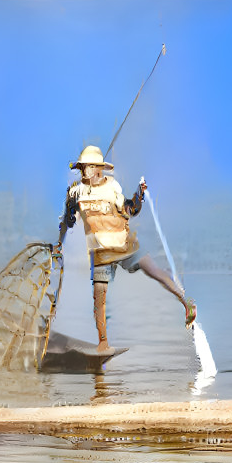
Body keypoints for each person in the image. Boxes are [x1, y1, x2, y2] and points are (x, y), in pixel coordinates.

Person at [56, 145, 197, 354]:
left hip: (124, 244)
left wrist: (138, 196)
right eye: (82, 168)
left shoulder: (112, 186)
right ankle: (103, 343)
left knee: (154, 272)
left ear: (98, 169)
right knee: (99, 298)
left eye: (87, 168)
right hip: (101, 252)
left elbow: (130, 210)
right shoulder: (76, 191)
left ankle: (186, 301)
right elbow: (66, 222)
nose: (84, 172)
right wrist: (60, 243)